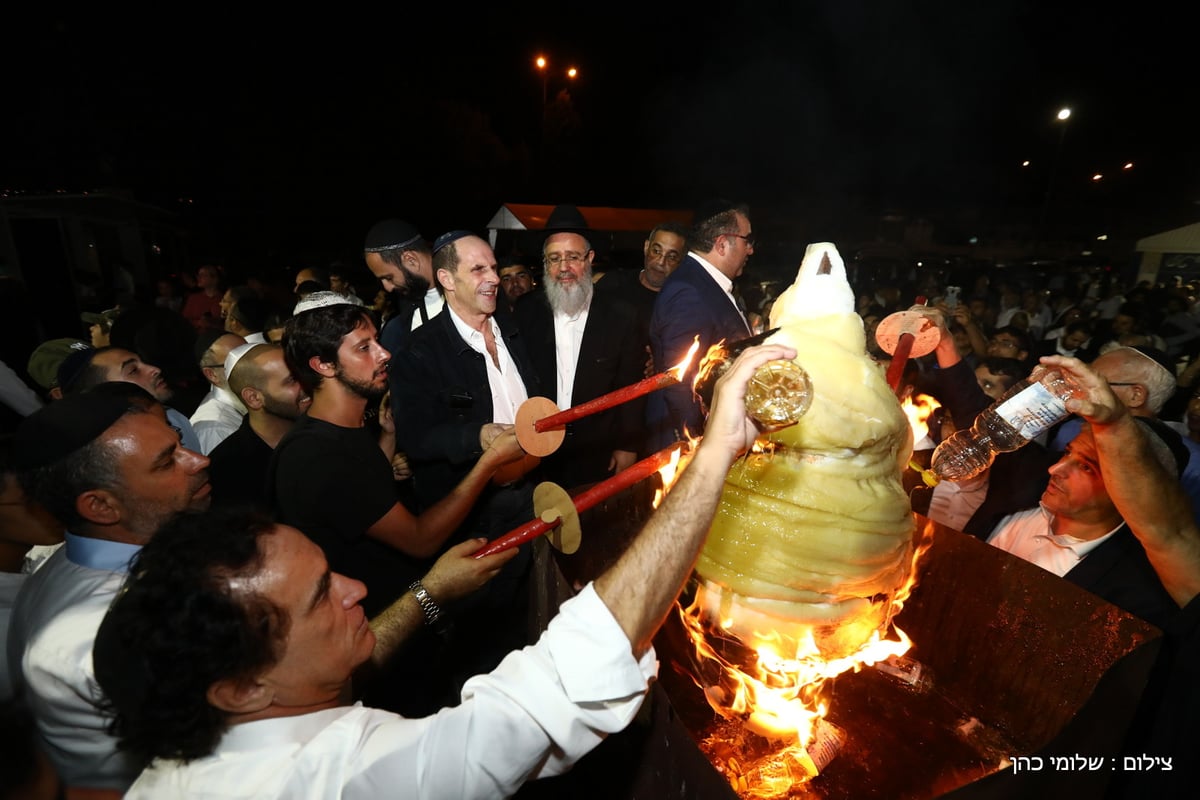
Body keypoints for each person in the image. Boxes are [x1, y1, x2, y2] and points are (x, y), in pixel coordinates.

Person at [93, 343, 798, 799]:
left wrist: (428, 594)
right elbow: (556, 688)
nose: (356, 589)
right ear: (240, 689)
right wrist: (715, 452)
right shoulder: (341, 779)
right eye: (319, 599)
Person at [269, 293, 525, 617]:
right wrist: (489, 463)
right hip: (377, 625)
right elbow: (420, 539)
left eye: (377, 340)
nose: (384, 353)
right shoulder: (316, 457)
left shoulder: (346, 428)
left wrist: (388, 437)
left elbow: (362, 487)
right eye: (364, 348)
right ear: (323, 365)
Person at [6, 385, 210, 791]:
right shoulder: (105, 631)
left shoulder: (77, 562)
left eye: (179, 443)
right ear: (100, 506)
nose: (200, 460)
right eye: (168, 461)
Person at [1037, 355, 1200, 797]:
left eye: (1090, 466)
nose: (1057, 469)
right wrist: (1111, 424)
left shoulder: (1135, 591)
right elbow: (1170, 532)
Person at [513, 208, 644, 485]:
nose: (563, 268)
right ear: (545, 263)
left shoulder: (622, 315)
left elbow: (630, 387)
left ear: (590, 259)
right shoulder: (526, 312)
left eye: (573, 257)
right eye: (554, 258)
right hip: (536, 449)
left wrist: (627, 445)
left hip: (596, 449)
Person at [649, 200, 754, 447]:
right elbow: (679, 380)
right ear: (721, 244)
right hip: (690, 441)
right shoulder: (690, 291)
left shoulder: (705, 283)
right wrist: (701, 441)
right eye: (746, 240)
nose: (750, 250)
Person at [207, 343, 310, 510]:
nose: (306, 384)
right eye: (292, 380)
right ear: (254, 398)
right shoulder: (227, 470)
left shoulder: (325, 430)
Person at [61, 346, 203, 454]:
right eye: (133, 370)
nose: (155, 369)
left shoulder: (174, 417)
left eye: (143, 362)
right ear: (103, 391)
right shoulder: (106, 454)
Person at [363, 219, 442, 355]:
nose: (387, 288)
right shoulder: (400, 324)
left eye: (388, 277)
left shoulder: (470, 293)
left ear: (411, 260)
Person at [188, 331, 247, 454]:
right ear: (212, 374)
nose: (252, 367)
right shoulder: (214, 428)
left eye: (251, 357)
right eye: (238, 363)